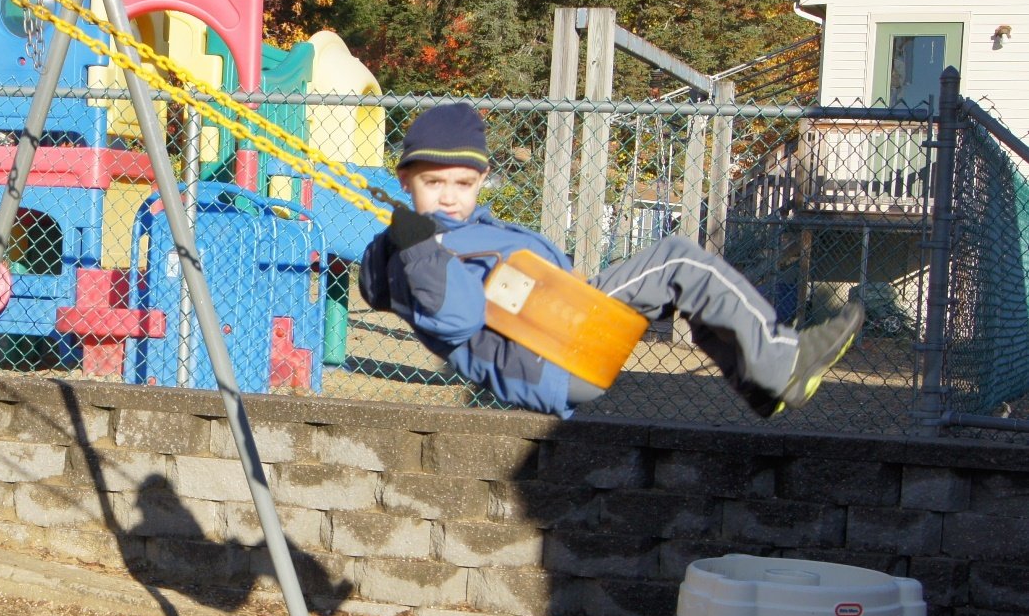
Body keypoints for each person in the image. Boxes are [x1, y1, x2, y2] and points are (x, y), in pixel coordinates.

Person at [359, 102, 865, 418]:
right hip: (552, 352)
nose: (449, 196)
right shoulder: (417, 252)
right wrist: (418, 244)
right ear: (405, 181)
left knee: (684, 291)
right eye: (434, 182)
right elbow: (456, 318)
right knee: (680, 264)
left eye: (463, 184)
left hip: (561, 335)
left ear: (482, 179)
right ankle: (785, 361)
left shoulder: (459, 234)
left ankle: (762, 385)